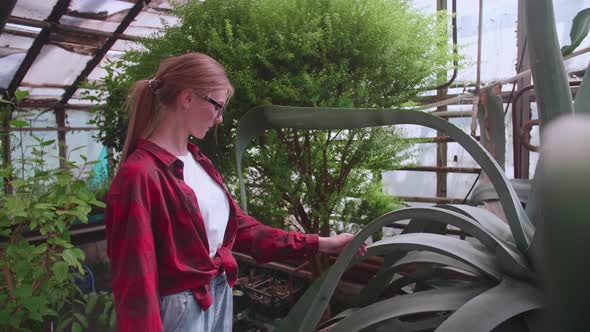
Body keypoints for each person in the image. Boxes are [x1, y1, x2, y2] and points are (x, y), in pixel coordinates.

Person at [104, 52, 366, 332]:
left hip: (219, 293)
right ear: (187, 97)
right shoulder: (139, 175)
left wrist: (323, 243)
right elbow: (135, 283)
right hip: (179, 311)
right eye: (218, 106)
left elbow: (244, 231)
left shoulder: (198, 163)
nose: (219, 119)